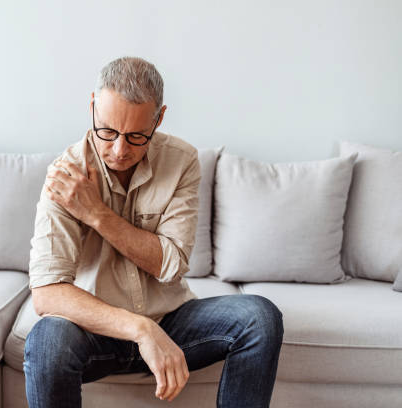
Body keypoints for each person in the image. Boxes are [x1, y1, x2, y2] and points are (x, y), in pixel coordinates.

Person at [23, 56, 284, 408]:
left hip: (171, 321)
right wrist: (140, 329)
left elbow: (171, 264)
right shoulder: (66, 176)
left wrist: (97, 214)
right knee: (47, 341)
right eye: (107, 132)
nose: (119, 150)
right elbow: (47, 294)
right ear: (92, 107)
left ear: (158, 119)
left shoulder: (181, 160)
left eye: (136, 136)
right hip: (95, 330)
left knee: (260, 318)